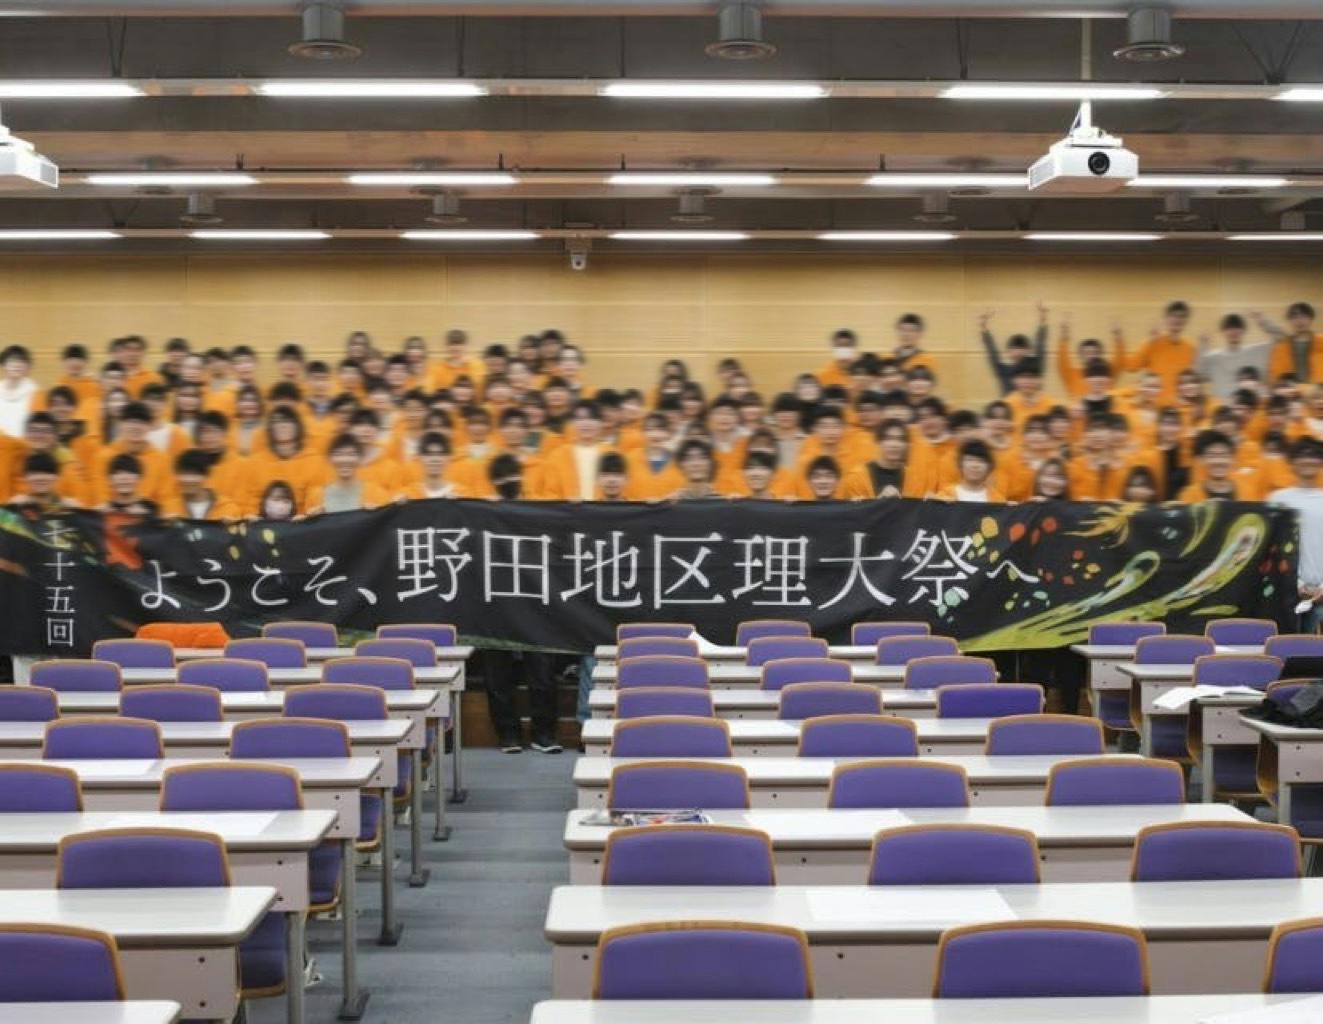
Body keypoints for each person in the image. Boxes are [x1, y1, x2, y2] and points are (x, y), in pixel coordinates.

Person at [1269, 437, 1323, 632]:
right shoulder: (1278, 499)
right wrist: (1295, 583)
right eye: (1302, 455)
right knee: (1287, 645)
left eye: (1314, 455)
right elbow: (1272, 547)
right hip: (1286, 590)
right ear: (1291, 462)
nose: (1308, 460)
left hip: (1321, 593)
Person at [1123, 301, 1196, 403]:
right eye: (1173, 315)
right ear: (1165, 319)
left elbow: (1192, 383)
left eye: (1182, 316)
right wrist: (1150, 342)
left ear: (1187, 321)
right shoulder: (1153, 343)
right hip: (1154, 405)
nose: (1178, 319)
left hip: (1178, 407)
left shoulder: (1190, 349)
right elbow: (1131, 367)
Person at [305, 434, 392, 514]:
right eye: (338, 454)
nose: (345, 459)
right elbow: (304, 522)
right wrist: (311, 518)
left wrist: (377, 513)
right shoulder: (316, 496)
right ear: (329, 459)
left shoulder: (377, 493)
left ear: (361, 459)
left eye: (351, 454)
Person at [978, 302, 1048, 396]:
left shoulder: (1036, 365)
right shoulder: (1003, 370)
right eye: (1014, 348)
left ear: (1028, 350)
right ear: (1008, 352)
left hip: (1035, 404)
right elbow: (992, 351)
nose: (1018, 351)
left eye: (1022, 348)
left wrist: (1043, 320)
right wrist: (983, 327)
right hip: (1009, 405)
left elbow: (1041, 345)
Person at [1198, 313, 1271, 399]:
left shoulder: (1257, 351)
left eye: (1237, 327)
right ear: (1223, 332)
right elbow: (1199, 376)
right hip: (1222, 405)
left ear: (1244, 331)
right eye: (1229, 328)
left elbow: (1280, 339)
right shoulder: (1213, 357)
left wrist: (1264, 323)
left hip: (1249, 405)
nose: (1233, 331)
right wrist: (1203, 346)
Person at [844, 418, 922, 499]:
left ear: (907, 445)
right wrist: (880, 501)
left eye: (900, 439)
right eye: (889, 438)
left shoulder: (914, 479)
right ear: (878, 442)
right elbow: (852, 506)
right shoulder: (857, 477)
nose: (894, 445)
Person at [1257, 302, 1323, 386]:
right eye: (1295, 317)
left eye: (1304, 316)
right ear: (1289, 321)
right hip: (1290, 389)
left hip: (1318, 389)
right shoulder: (1281, 346)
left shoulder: (1321, 342)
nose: (1300, 321)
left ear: (1311, 319)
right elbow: (1274, 373)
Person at [168, 449, 240, 520]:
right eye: (184, 474)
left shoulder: (228, 508)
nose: (188, 480)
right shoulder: (170, 508)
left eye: (194, 474)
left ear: (206, 476)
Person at [1178, 430, 1246, 501]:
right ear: (1201, 460)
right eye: (1212, 456)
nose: (1218, 461)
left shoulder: (1247, 489)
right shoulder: (1189, 495)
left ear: (1233, 459)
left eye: (1224, 455)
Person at [937, 439, 1005, 502]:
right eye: (970, 460)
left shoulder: (997, 500)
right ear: (960, 464)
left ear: (989, 467)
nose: (975, 465)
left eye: (981, 461)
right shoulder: (944, 496)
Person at [0, 345, 39, 439]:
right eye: (11, 360)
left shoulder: (35, 392)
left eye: (21, 361)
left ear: (28, 366)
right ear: (3, 365)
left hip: (24, 444)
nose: (16, 365)